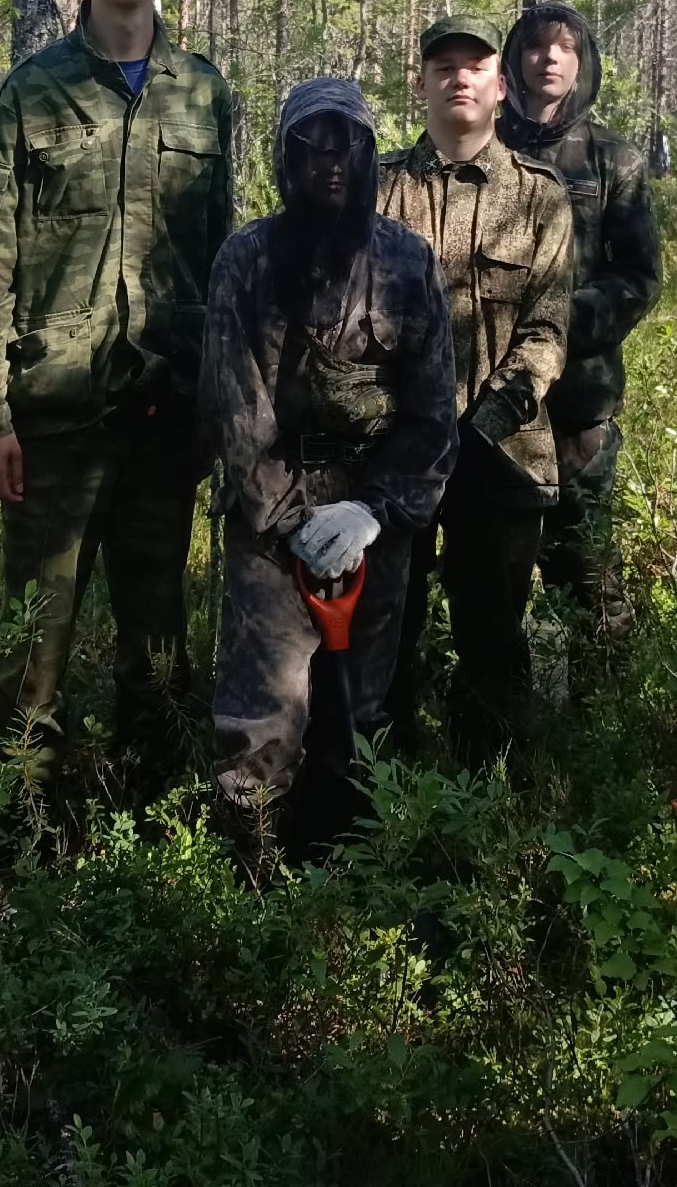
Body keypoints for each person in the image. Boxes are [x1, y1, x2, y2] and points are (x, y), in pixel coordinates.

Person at [0, 0, 238, 791]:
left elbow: (223, 252)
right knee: (37, 637)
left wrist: (225, 398)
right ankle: (23, 824)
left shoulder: (202, 92)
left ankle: (150, 816)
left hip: (167, 405)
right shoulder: (32, 92)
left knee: (157, 629)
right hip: (55, 409)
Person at [203, 78, 457, 858]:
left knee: (363, 713)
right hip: (270, 522)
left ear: (371, 156)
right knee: (266, 720)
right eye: (309, 146)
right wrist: (291, 520)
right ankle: (249, 891)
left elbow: (432, 413)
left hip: (375, 523)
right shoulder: (247, 259)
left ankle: (350, 893)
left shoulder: (410, 263)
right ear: (285, 159)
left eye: (346, 144)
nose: (330, 163)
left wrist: (373, 512)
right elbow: (235, 410)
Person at [376, 14, 574, 762]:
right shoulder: (380, 190)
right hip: (393, 457)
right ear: (421, 83)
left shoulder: (539, 198)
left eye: (474, 65)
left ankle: (487, 819)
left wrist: (476, 429)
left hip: (502, 460)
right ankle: (383, 801)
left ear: (499, 85)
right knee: (385, 638)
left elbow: (547, 333)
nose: (459, 76)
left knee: (492, 645)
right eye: (443, 65)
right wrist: (408, 433)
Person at [499, 0, 661, 651]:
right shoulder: (485, 147)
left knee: (586, 575)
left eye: (565, 47)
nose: (550, 58)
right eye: (537, 47)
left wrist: (557, 324)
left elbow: (640, 276)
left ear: (582, 62)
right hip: (495, 404)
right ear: (516, 60)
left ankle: (601, 723)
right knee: (493, 577)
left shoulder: (611, 158)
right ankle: (501, 727)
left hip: (580, 401)